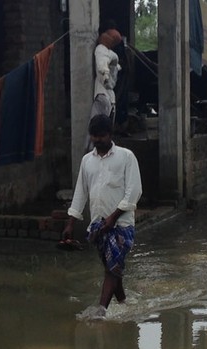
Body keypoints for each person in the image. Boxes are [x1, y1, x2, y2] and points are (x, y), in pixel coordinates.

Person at [64, 114, 143, 318]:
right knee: (113, 267)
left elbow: (134, 191)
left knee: (111, 268)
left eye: (101, 136)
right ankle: (124, 302)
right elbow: (81, 192)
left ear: (110, 134)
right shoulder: (87, 161)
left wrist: (114, 217)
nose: (97, 140)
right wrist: (71, 222)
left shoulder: (126, 157)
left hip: (122, 225)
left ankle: (101, 311)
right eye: (94, 136)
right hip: (98, 226)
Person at [85, 29, 123, 153]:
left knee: (95, 128)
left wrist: (104, 74)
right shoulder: (113, 56)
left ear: (109, 40)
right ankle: (105, 153)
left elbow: (102, 63)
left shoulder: (101, 49)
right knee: (106, 129)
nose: (102, 35)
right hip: (110, 100)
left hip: (102, 96)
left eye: (106, 34)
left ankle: (90, 153)